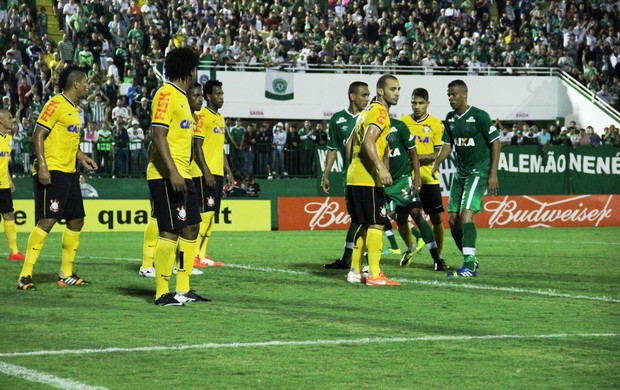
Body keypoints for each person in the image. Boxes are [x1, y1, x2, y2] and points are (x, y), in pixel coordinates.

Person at [17, 65, 98, 290]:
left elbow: (67, 139)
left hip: (70, 171)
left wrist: (81, 157)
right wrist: (43, 166)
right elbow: (38, 135)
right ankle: (25, 275)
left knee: (76, 220)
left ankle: (66, 274)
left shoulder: (73, 109)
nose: (87, 86)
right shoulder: (55, 104)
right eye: (86, 83)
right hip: (52, 170)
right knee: (47, 220)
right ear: (76, 84)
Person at [147, 47, 206, 306]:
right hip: (168, 174)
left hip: (184, 173)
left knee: (191, 227)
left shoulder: (183, 99)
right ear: (189, 70)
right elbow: (157, 134)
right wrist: (171, 172)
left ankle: (183, 288)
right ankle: (162, 291)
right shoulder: (165, 94)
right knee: (170, 231)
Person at [431, 79, 501, 277]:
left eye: (454, 94)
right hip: (460, 174)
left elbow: (496, 142)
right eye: (449, 95)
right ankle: (470, 258)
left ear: (465, 95)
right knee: (452, 220)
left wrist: (493, 173)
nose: (451, 98)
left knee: (466, 214)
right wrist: (437, 162)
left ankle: (469, 265)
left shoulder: (479, 116)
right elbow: (447, 145)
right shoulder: (450, 118)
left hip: (478, 172)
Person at [346, 75, 400, 286]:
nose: (396, 93)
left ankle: (355, 271)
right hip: (367, 178)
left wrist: (353, 167)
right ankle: (375, 274)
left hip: (356, 176)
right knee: (377, 223)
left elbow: (349, 143)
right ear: (380, 91)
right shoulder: (379, 112)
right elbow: (369, 141)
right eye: (392, 89)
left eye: (398, 89)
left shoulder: (364, 112)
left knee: (365, 224)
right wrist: (381, 168)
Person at [384, 117, 447, 271]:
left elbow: (413, 152)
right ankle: (410, 247)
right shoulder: (370, 129)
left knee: (417, 214)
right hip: (384, 183)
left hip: (403, 180)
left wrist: (417, 178)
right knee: (394, 218)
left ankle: (436, 258)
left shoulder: (399, 126)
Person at [321, 81, 370, 269]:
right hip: (350, 177)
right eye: (364, 95)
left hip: (370, 176)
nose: (367, 99)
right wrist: (325, 174)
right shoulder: (338, 119)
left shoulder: (370, 117)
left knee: (365, 219)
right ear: (352, 96)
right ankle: (352, 259)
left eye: (368, 95)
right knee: (357, 218)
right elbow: (332, 149)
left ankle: (358, 260)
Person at [400, 88, 448, 266]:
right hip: (407, 178)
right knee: (401, 217)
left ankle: (439, 255)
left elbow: (437, 154)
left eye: (421, 103)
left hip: (429, 178)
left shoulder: (436, 124)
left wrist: (414, 158)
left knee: (436, 219)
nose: (417, 106)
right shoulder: (403, 123)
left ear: (428, 104)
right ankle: (410, 247)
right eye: (414, 102)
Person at [191, 79, 234, 270]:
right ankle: (193, 255)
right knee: (204, 215)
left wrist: (229, 172)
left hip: (217, 173)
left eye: (222, 94)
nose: (221, 97)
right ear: (208, 96)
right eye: (218, 94)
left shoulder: (221, 118)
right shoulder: (202, 116)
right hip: (202, 173)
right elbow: (197, 146)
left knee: (212, 215)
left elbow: (220, 148)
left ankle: (201, 254)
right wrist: (206, 172)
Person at [0, 109, 25, 261]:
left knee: (9, 214)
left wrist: (9, 179)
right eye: (10, 118)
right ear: (1, 121)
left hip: (3, 184)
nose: (13, 120)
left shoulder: (9, 138)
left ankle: (14, 252)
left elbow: (4, 163)